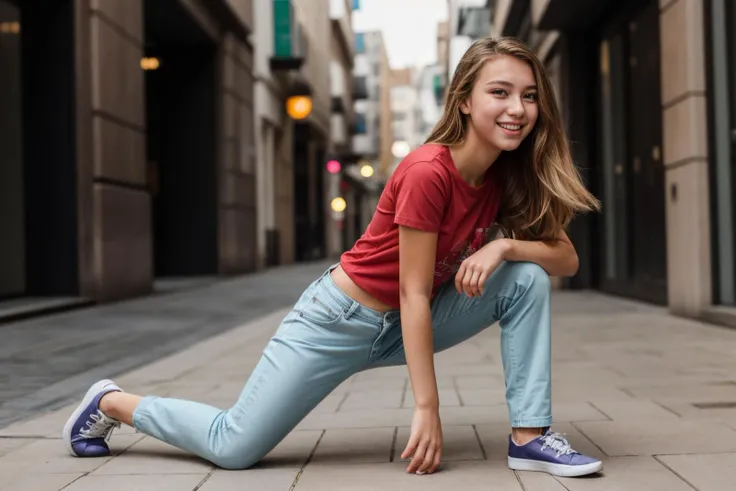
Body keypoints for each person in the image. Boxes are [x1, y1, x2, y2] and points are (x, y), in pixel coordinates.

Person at [62, 36, 602, 478]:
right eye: (501, 92)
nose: (518, 109)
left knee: (526, 275)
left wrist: (502, 244)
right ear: (464, 100)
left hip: (415, 317)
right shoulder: (426, 171)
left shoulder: (504, 175)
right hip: (339, 320)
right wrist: (427, 409)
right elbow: (411, 291)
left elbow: (566, 259)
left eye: (529, 96)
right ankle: (110, 403)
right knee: (233, 446)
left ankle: (530, 437)